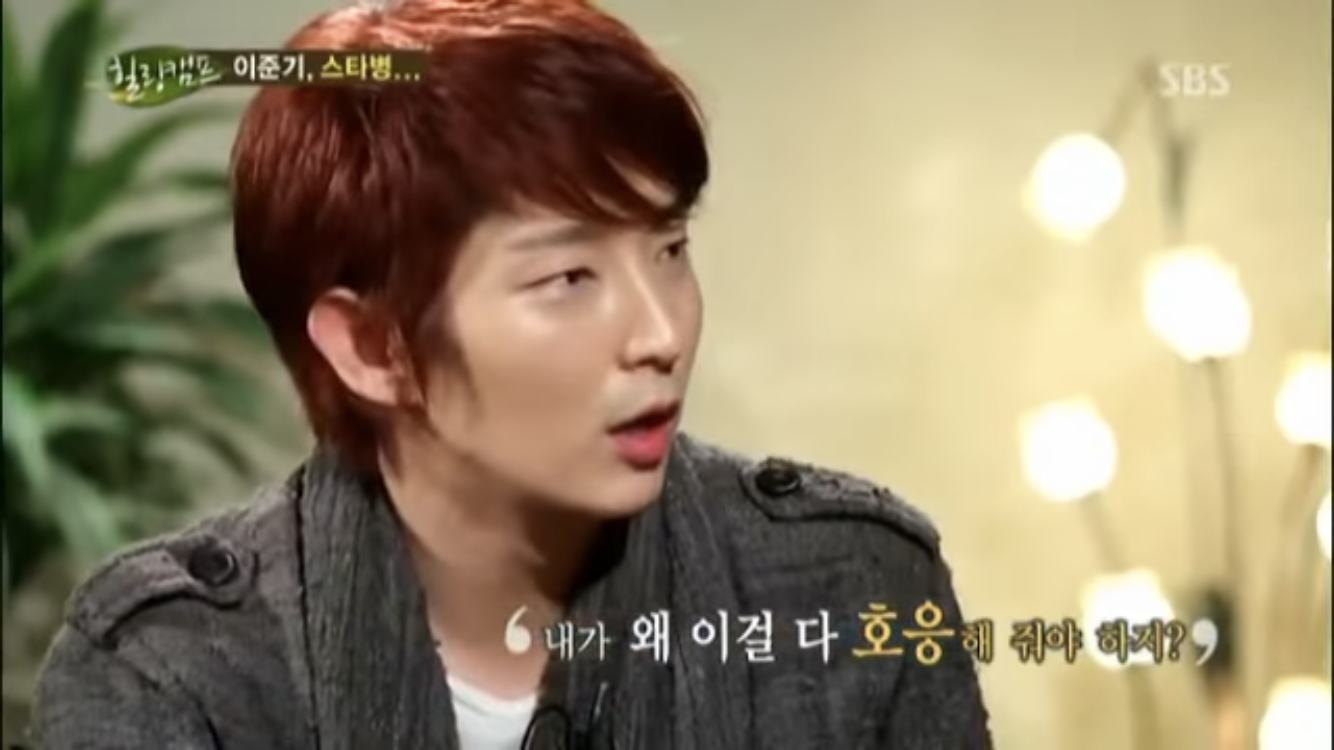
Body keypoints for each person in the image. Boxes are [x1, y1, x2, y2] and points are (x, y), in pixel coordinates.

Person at [31, 0, 991, 747]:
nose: (662, 333)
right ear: (371, 347)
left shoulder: (846, 590)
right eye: (568, 277)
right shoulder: (175, 673)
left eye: (669, 249)